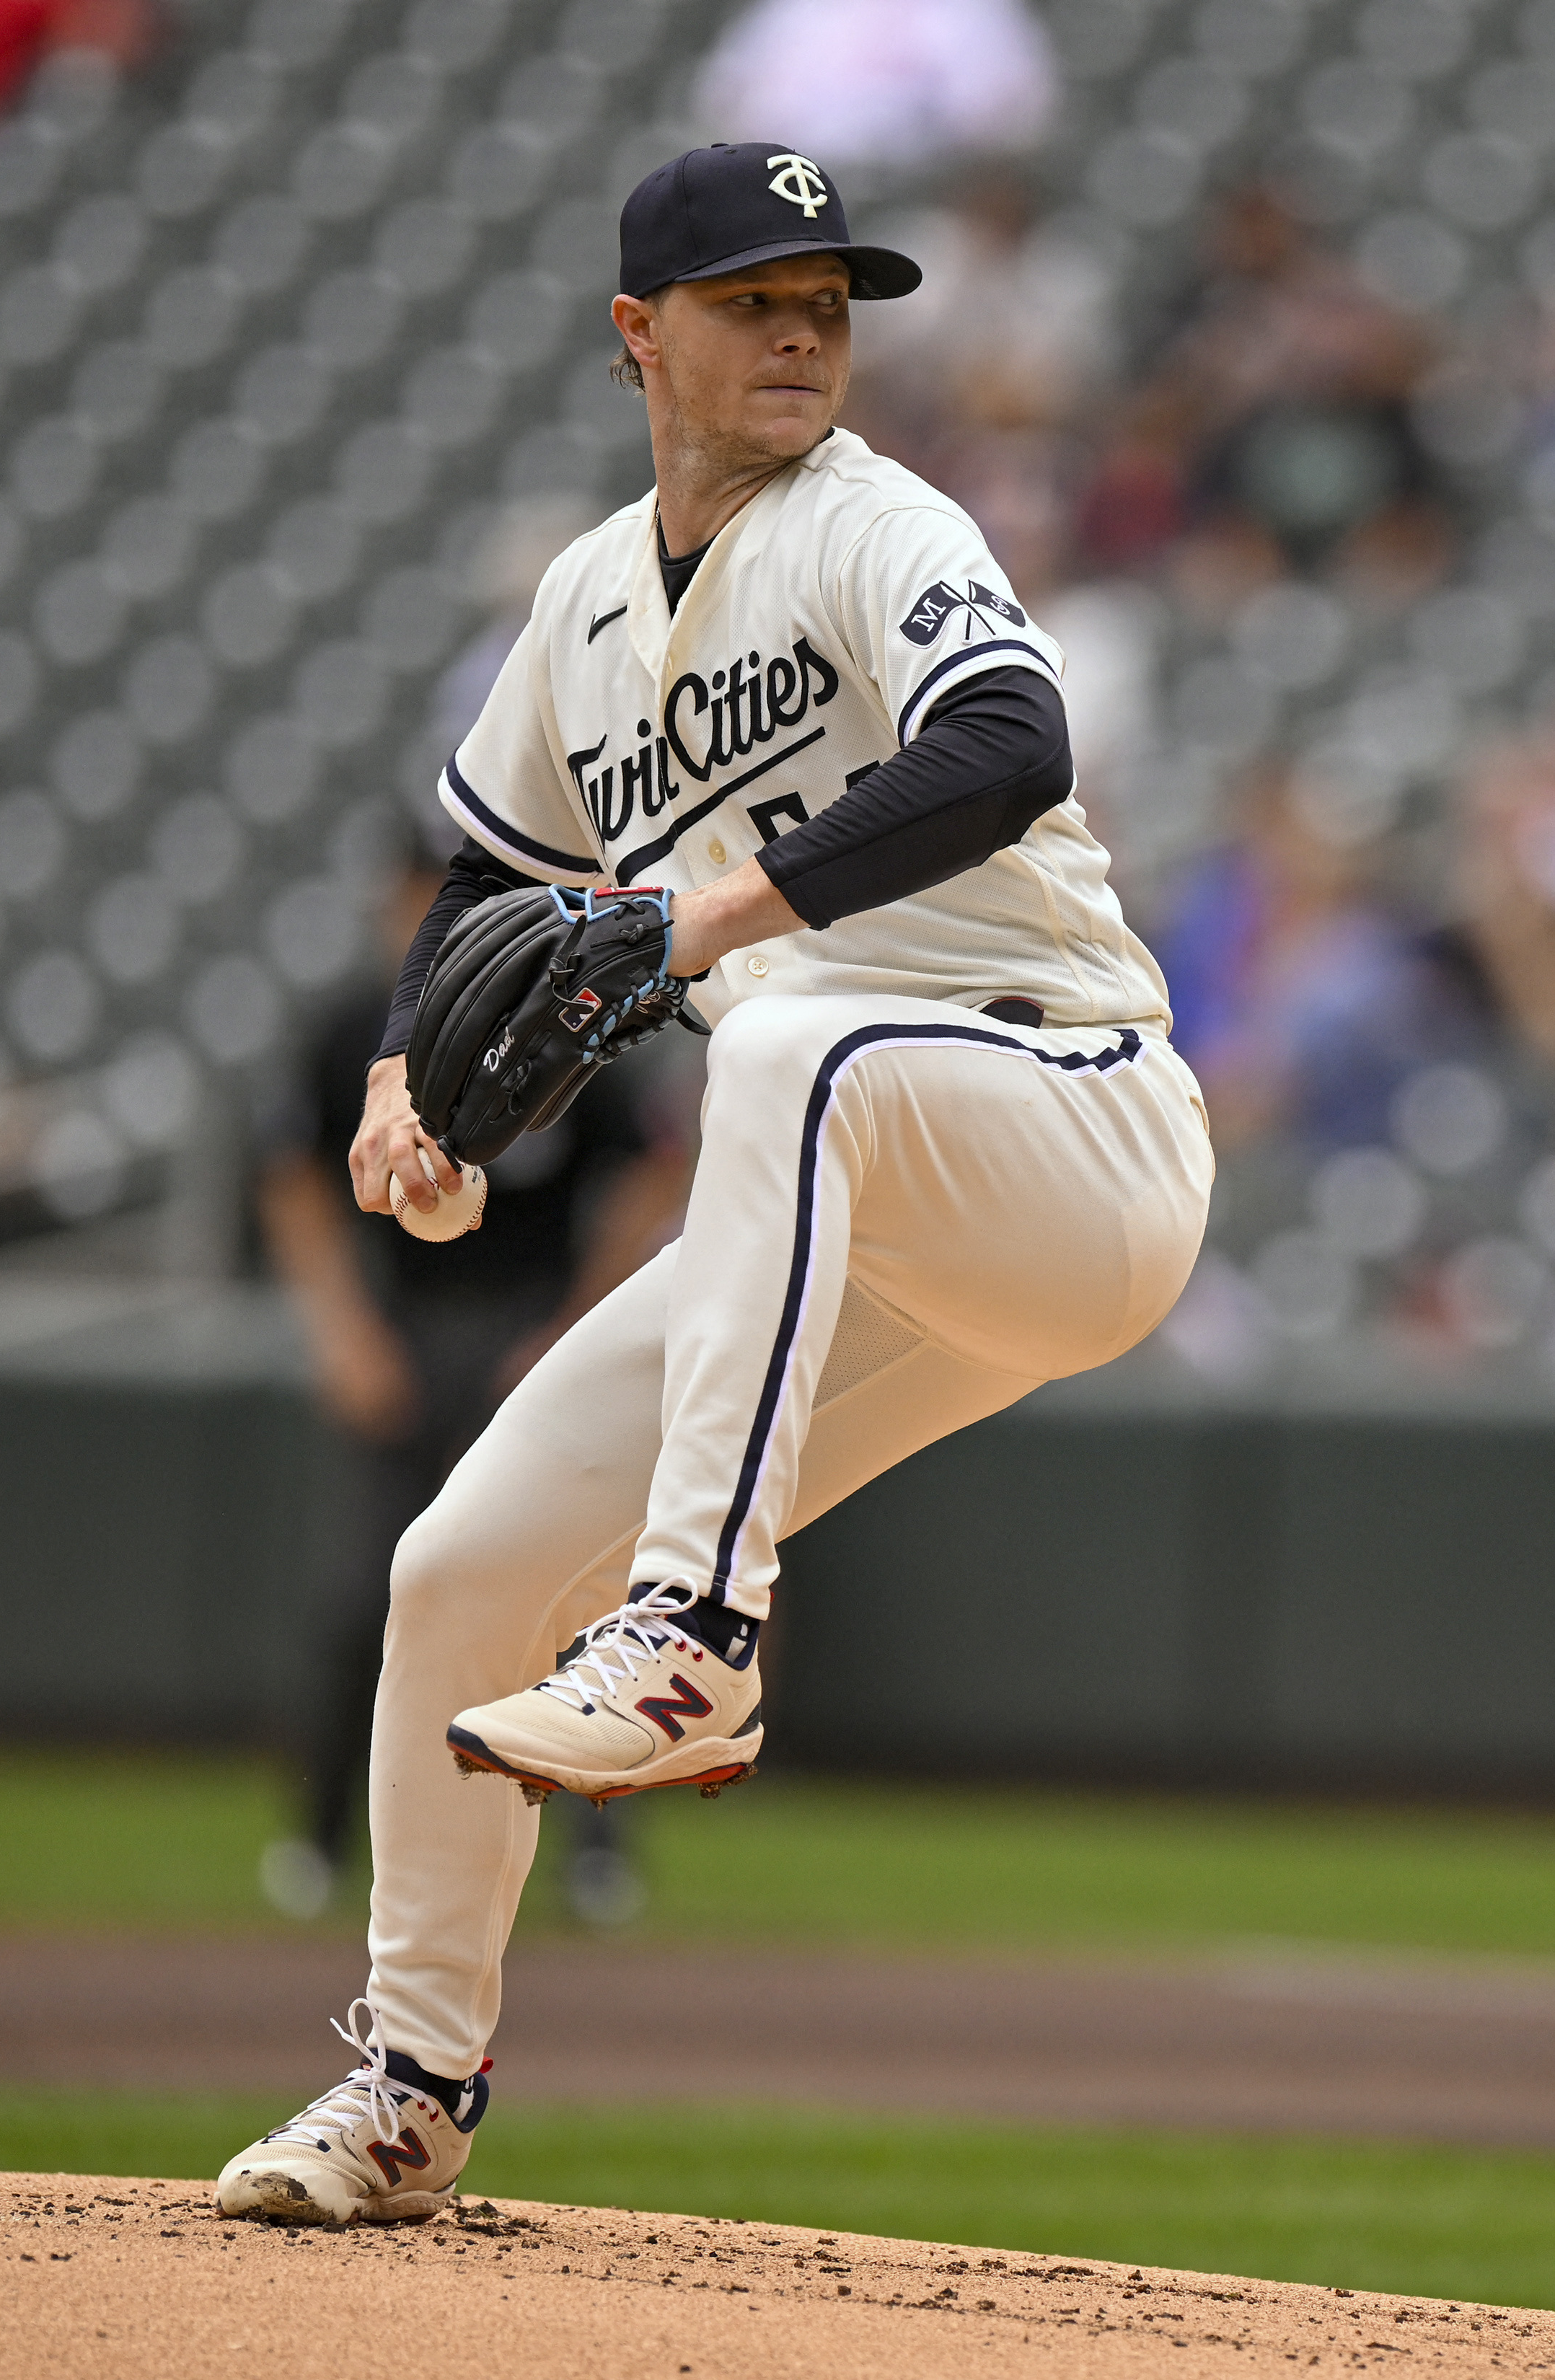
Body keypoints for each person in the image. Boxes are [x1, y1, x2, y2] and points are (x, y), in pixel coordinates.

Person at [218, 141, 1212, 2227]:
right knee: (459, 1568)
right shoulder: (582, 599)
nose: (801, 332)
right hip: (851, 1198)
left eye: (828, 302)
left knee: (778, 1022)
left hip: (1073, 1137)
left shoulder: (878, 525)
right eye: (757, 298)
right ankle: (411, 2084)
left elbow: (1012, 740)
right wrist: (408, 1084)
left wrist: (709, 915)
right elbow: (484, 873)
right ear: (635, 337)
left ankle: (692, 1629)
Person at [255, 838, 688, 1919]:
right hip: (408, 1331)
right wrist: (340, 1330)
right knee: (368, 1597)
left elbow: (656, 1166)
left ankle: (594, 1854)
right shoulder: (366, 1037)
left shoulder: (565, 1019)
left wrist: (576, 1323)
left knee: (581, 1607)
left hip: (528, 1339)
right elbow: (291, 1178)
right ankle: (319, 1843)